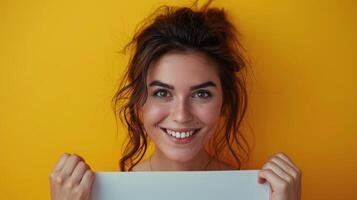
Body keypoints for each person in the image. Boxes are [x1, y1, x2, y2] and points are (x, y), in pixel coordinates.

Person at [49, 1, 302, 200]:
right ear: (138, 101)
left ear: (224, 102)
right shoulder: (91, 195)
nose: (181, 115)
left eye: (201, 94)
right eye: (162, 93)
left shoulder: (262, 194)